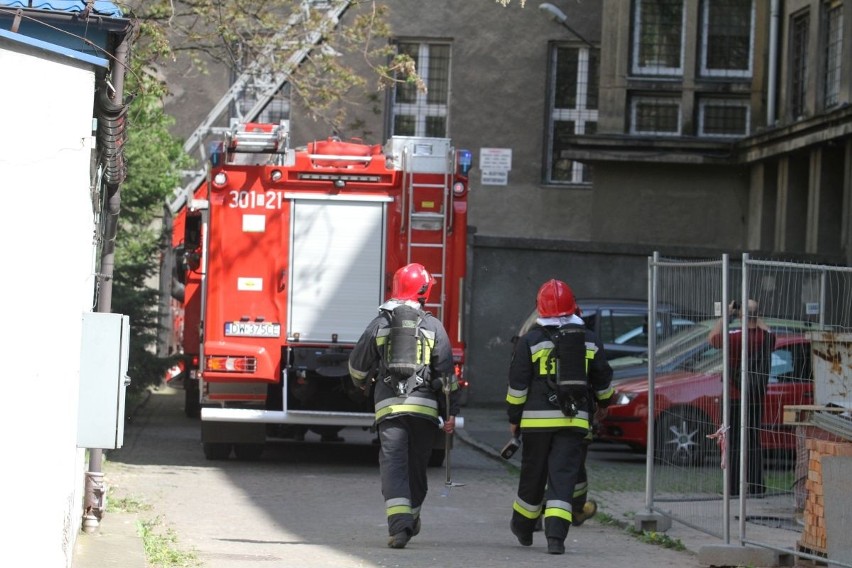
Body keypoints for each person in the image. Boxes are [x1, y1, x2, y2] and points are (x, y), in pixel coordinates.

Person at [348, 262, 460, 549]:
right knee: (417, 466)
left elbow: (358, 365)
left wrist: (361, 383)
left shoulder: (380, 323)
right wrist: (450, 413)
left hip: (389, 407)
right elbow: (447, 374)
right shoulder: (434, 326)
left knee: (394, 464)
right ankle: (411, 516)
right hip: (424, 409)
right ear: (423, 293)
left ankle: (400, 527)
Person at [506, 279, 614, 554]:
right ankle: (556, 539)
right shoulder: (588, 339)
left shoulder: (530, 340)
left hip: (535, 423)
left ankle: (524, 528)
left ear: (540, 309)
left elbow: (518, 385)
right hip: (573, 421)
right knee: (562, 477)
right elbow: (603, 380)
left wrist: (515, 418)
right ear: (573, 306)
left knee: (533, 474)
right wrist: (603, 403)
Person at [707, 299, 775, 496]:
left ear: (741, 316)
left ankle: (733, 487)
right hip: (755, 396)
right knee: (753, 440)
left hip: (734, 396)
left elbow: (712, 338)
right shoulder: (766, 339)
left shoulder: (735, 339)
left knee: (733, 441)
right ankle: (756, 486)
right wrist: (752, 314)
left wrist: (727, 315)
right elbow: (768, 330)